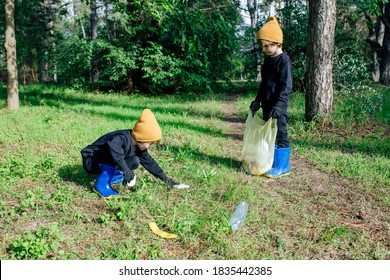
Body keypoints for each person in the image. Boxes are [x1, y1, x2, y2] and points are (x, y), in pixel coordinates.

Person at [80, 109, 188, 198]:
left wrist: (167, 180)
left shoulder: (139, 147)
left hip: (103, 163)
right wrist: (125, 168)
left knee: (135, 161)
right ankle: (101, 186)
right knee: (114, 153)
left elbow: (150, 163)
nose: (149, 146)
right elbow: (112, 146)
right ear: (142, 137)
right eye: (149, 143)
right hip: (92, 161)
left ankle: (115, 177)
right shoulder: (122, 138)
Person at [249, 16, 292, 178]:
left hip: (278, 107)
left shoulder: (284, 61)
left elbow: (286, 87)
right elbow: (264, 84)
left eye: (267, 45)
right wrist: (257, 100)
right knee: (269, 136)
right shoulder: (267, 61)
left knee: (280, 134)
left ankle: (283, 166)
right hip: (267, 105)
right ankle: (270, 163)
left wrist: (279, 106)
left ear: (277, 43)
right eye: (262, 45)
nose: (264, 49)